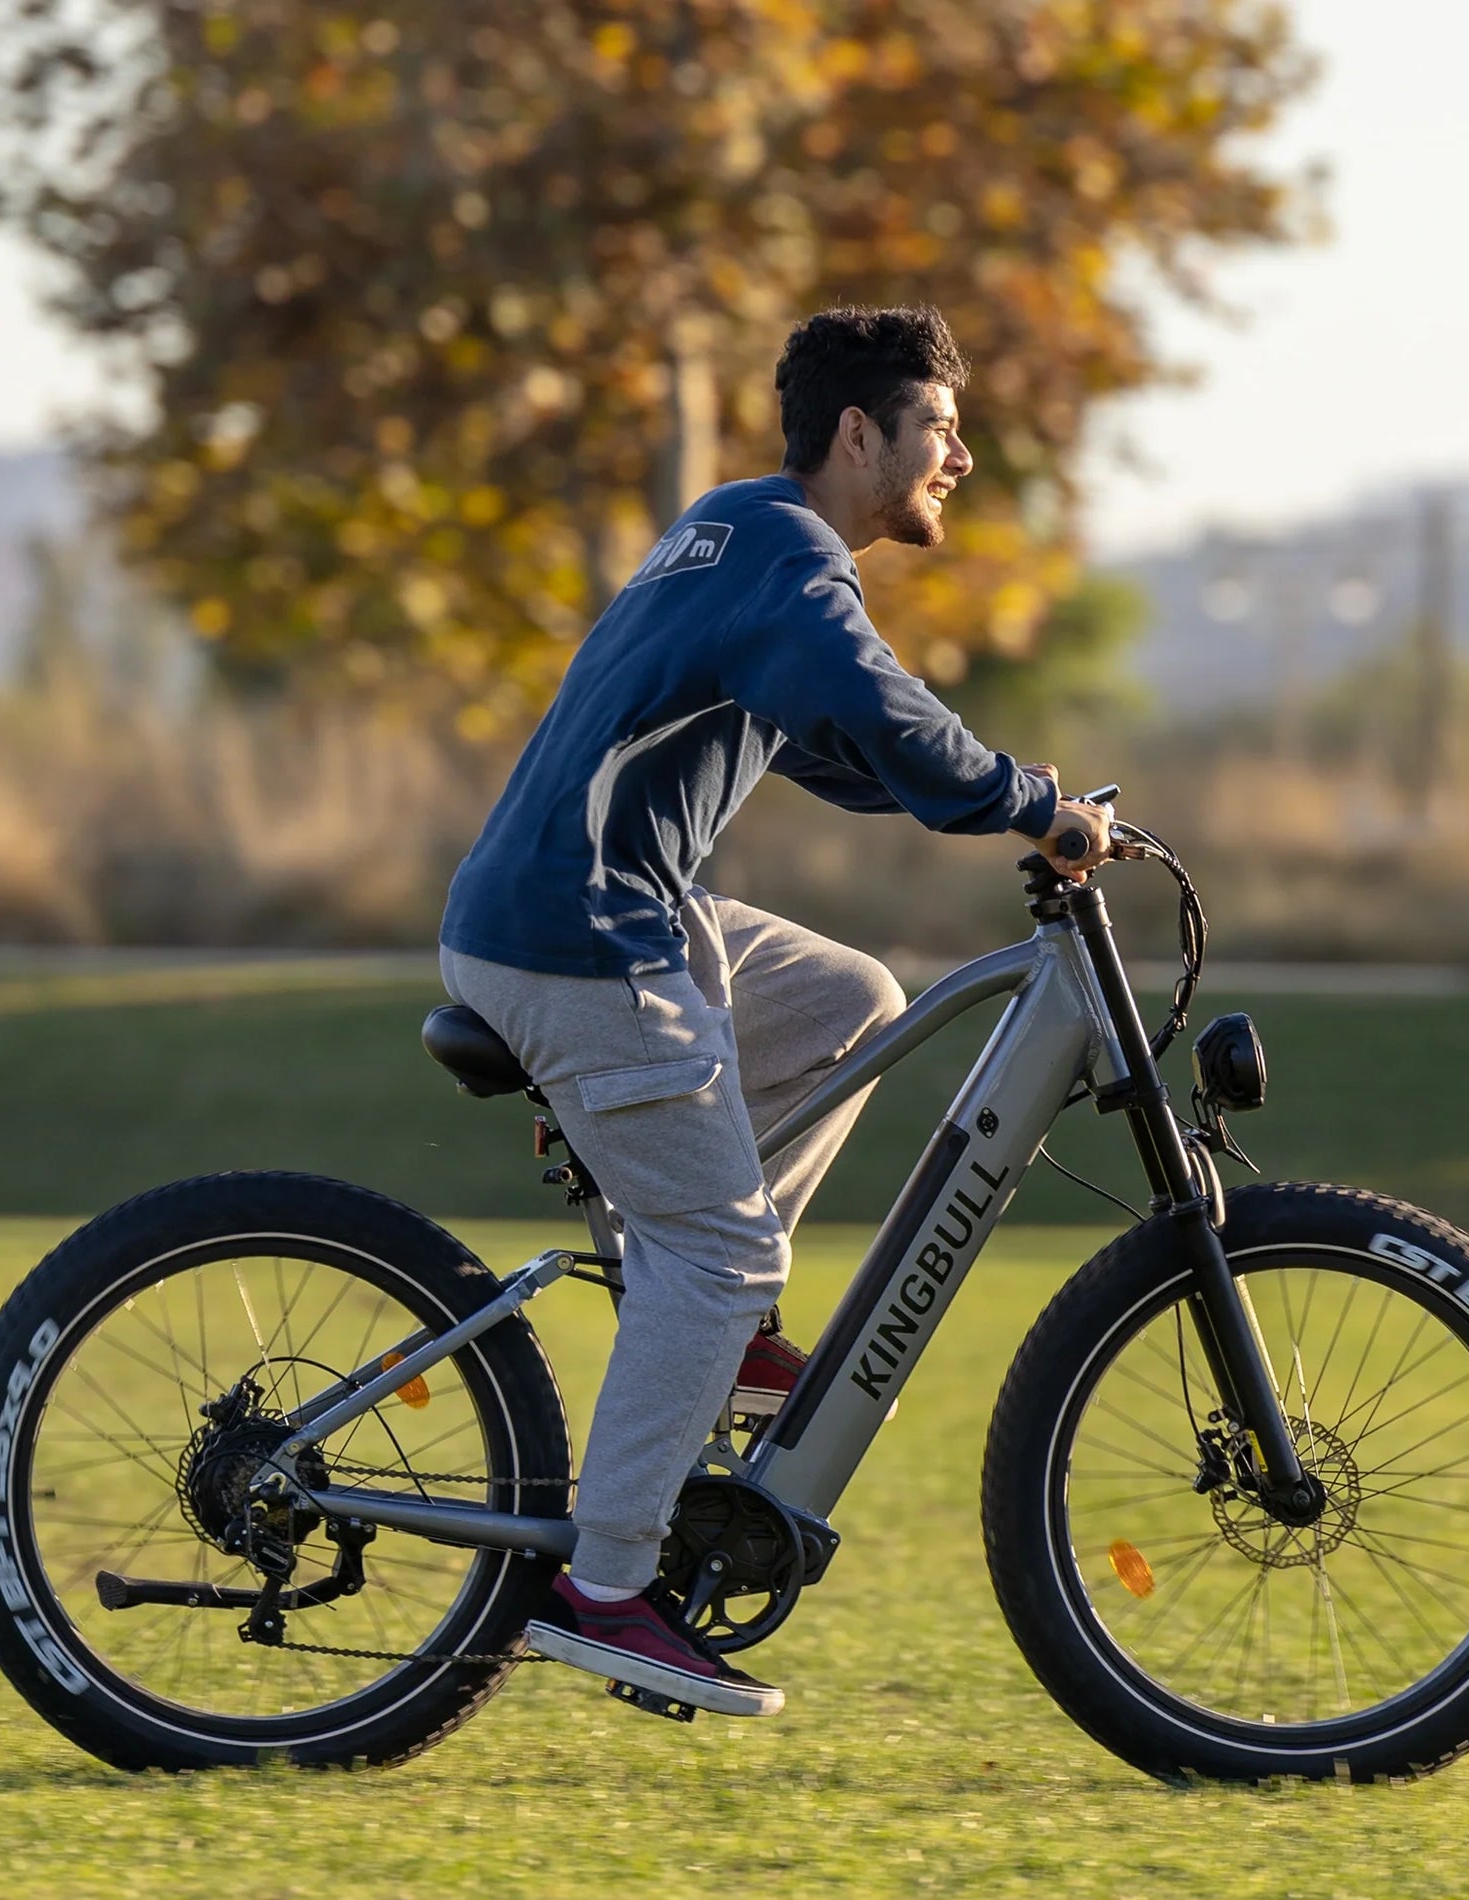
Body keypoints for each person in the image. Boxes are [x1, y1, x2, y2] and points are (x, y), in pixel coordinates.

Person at [438, 305, 1113, 1718]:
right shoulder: (790, 563)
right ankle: (606, 1585)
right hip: (585, 933)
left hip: (587, 907)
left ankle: (701, 1312)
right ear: (857, 434)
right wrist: (1030, 801)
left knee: (846, 999)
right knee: (719, 1248)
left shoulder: (735, 531)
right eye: (937, 428)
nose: (962, 457)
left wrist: (981, 800)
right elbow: (866, 696)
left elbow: (833, 742)